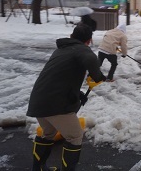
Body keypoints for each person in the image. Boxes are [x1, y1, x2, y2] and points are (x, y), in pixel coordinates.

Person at [26, 24, 106, 170]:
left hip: (39, 100)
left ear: (72, 36)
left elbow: (60, 78)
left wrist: (77, 94)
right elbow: (90, 58)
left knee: (48, 133)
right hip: (54, 104)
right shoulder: (81, 49)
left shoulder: (61, 50)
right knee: (75, 136)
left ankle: (38, 168)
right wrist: (98, 76)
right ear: (89, 40)